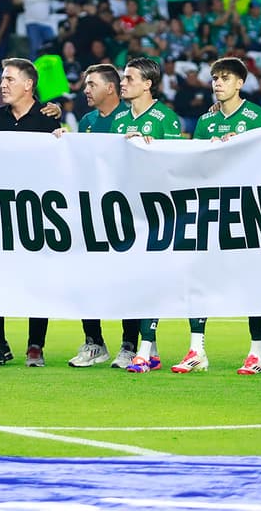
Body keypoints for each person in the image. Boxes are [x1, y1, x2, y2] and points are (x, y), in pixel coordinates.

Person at [0, 59, 61, 368]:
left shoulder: (48, 121)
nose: (3, 84)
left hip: (37, 213)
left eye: (9, 79)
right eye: (2, 79)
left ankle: (35, 344)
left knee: (39, 279)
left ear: (28, 84)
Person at [192, 58, 261, 376]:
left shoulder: (257, 117)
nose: (217, 83)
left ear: (240, 83)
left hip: (249, 209)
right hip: (213, 208)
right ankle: (196, 349)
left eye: (225, 78)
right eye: (214, 78)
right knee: (201, 276)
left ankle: (256, 353)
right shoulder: (205, 122)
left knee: (253, 280)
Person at [60, 63, 138, 371]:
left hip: (126, 212)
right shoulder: (88, 121)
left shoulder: (130, 117)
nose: (85, 90)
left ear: (110, 88)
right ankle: (94, 342)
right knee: (87, 276)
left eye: (91, 84)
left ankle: (129, 345)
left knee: (127, 280)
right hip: (92, 210)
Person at [111, 57, 183, 374]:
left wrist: (155, 151)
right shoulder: (118, 122)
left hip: (160, 214)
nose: (123, 82)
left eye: (129, 78)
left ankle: (144, 350)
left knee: (152, 281)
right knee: (136, 283)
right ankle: (150, 350)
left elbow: (178, 168)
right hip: (129, 213)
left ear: (147, 84)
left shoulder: (167, 119)